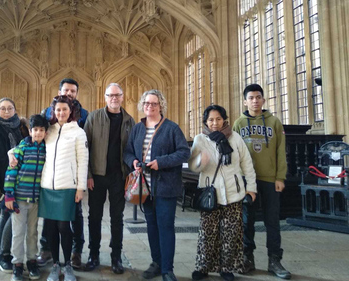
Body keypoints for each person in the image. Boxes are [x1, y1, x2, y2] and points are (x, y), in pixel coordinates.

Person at [123, 89, 190, 281]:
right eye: (146, 103)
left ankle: (168, 269)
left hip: (165, 186)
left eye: (153, 103)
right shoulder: (137, 128)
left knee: (166, 226)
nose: (149, 107)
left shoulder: (171, 128)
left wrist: (162, 162)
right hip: (145, 186)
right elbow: (127, 152)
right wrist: (134, 162)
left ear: (161, 106)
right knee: (151, 226)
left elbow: (184, 152)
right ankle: (156, 263)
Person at [190, 105, 257, 281]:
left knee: (231, 233)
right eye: (211, 120)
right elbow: (192, 166)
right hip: (210, 193)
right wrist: (200, 161)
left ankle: (226, 268)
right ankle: (203, 266)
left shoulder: (235, 138)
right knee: (207, 232)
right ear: (205, 121)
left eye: (218, 119)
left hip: (233, 192)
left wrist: (251, 188)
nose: (214, 123)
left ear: (224, 120)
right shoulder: (200, 139)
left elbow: (247, 164)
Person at [232, 84, 291, 280]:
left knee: (272, 221)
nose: (255, 100)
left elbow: (280, 151)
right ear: (245, 101)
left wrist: (280, 177)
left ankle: (274, 259)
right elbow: (235, 154)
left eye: (258, 97)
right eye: (251, 97)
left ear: (263, 100)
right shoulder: (239, 124)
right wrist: (239, 180)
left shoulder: (274, 122)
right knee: (247, 221)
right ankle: (247, 257)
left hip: (270, 180)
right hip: (248, 182)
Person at [83, 83, 135, 274]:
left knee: (117, 218)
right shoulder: (94, 117)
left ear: (122, 97)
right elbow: (85, 147)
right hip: (96, 176)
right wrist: (88, 175)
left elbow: (132, 149)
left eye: (117, 95)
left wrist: (129, 175)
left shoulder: (129, 120)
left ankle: (116, 257)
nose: (114, 98)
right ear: (105, 97)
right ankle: (93, 255)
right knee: (94, 217)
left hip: (118, 176)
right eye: (110, 95)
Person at [39, 78, 87, 269]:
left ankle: (73, 254)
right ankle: (48, 252)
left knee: (68, 223)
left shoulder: (82, 121)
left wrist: (81, 186)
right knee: (49, 225)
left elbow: (83, 158)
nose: (69, 93)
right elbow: (32, 141)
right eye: (66, 90)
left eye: (72, 91)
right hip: (48, 185)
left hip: (69, 184)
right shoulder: (48, 127)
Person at [0, 98, 29, 273]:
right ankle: (3, 255)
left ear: (15, 110)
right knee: (9, 215)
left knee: (7, 216)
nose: (6, 111)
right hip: (3, 179)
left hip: (21, 179)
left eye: (10, 108)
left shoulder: (22, 128)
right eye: (2, 108)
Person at [5, 114, 49, 281]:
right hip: (20, 198)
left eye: (41, 130)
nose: (38, 133)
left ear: (45, 132)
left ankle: (31, 261)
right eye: (35, 130)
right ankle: (17, 264)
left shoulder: (47, 149)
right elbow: (11, 171)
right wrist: (9, 195)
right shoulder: (21, 149)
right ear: (30, 131)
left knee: (32, 232)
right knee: (18, 233)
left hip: (36, 199)